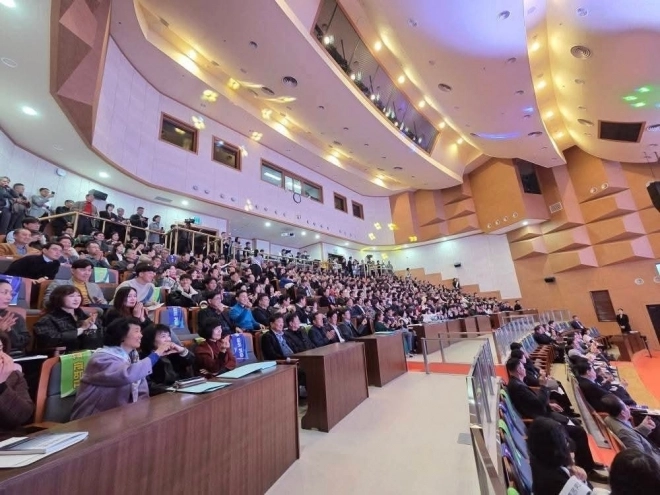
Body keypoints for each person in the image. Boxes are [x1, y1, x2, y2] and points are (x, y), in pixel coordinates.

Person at [505, 357, 608, 482]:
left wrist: (549, 404)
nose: (525, 369)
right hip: (540, 423)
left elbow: (533, 403)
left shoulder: (517, 383)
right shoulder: (517, 386)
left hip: (542, 417)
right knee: (578, 432)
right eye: (522, 367)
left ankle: (587, 463)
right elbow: (538, 404)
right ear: (518, 370)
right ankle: (588, 469)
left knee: (576, 425)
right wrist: (543, 386)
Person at [70, 317, 176, 420]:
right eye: (136, 331)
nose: (141, 335)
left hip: (121, 417)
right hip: (92, 419)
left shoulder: (133, 357)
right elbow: (126, 375)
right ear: (122, 335)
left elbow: (142, 392)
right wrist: (157, 354)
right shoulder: (101, 358)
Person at [527, 417, 593, 495]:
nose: (567, 444)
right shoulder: (558, 480)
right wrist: (583, 480)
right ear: (554, 448)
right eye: (564, 441)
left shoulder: (538, 459)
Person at [33, 285, 103, 352]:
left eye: (78, 296)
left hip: (88, 352)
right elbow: (50, 340)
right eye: (71, 296)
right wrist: (81, 329)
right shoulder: (48, 319)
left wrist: (93, 326)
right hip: (63, 355)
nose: (76, 299)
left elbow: (100, 338)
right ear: (59, 298)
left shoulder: (83, 315)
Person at [601, 394, 660, 463]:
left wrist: (644, 427)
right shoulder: (624, 433)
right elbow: (641, 458)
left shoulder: (609, 419)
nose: (628, 407)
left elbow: (633, 436)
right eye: (626, 406)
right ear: (623, 413)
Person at [139, 324, 194, 396]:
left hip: (182, 391)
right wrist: (171, 389)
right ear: (151, 340)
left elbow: (191, 361)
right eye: (163, 336)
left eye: (169, 336)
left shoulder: (172, 353)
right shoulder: (145, 358)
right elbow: (149, 385)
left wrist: (182, 350)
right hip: (162, 395)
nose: (168, 339)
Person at [0, 333, 34, 440]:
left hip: (11, 440)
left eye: (0, 349)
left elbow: (23, 416)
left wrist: (1, 385)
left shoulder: (14, 375)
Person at [43, 259, 108, 308]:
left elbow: (104, 302)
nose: (87, 273)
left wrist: (102, 302)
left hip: (93, 312)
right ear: (72, 270)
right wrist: (73, 302)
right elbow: (47, 303)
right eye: (83, 270)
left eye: (89, 270)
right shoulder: (59, 284)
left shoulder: (94, 286)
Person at [0, 280, 30, 354]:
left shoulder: (15, 317)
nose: (9, 297)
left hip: (15, 357)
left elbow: (23, 343)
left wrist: (9, 331)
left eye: (11, 294)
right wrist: (1, 330)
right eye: (5, 293)